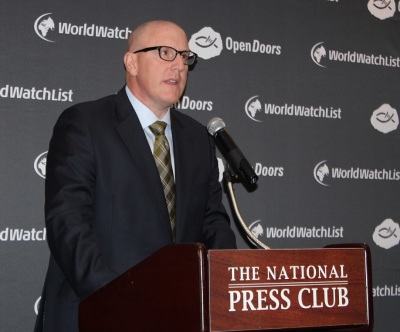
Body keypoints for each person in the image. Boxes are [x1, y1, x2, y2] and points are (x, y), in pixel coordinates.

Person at [34, 20, 236, 332]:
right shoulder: (85, 124)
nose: (179, 66)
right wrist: (119, 300)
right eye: (165, 53)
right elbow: (68, 223)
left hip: (181, 316)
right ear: (132, 62)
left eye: (184, 57)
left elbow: (213, 223)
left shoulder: (198, 138)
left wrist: (222, 291)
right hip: (100, 313)